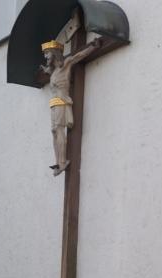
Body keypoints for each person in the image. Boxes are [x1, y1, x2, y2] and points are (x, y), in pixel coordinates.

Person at [40, 38, 100, 176]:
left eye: (47, 53)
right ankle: (57, 161)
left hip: (61, 102)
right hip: (53, 105)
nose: (45, 56)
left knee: (59, 130)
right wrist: (46, 70)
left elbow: (77, 56)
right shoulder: (54, 72)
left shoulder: (65, 64)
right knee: (54, 131)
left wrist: (92, 48)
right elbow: (50, 72)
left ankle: (62, 162)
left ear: (54, 53)